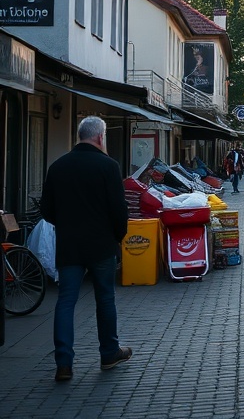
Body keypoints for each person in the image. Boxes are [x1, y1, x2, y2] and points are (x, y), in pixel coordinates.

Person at [40, 115, 132, 382]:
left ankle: (64, 364)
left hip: (69, 245)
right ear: (101, 137)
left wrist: (68, 224)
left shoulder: (58, 166)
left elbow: (47, 210)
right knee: (104, 298)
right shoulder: (108, 166)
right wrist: (118, 237)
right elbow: (119, 210)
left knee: (66, 300)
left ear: (79, 135)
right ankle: (109, 353)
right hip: (102, 244)